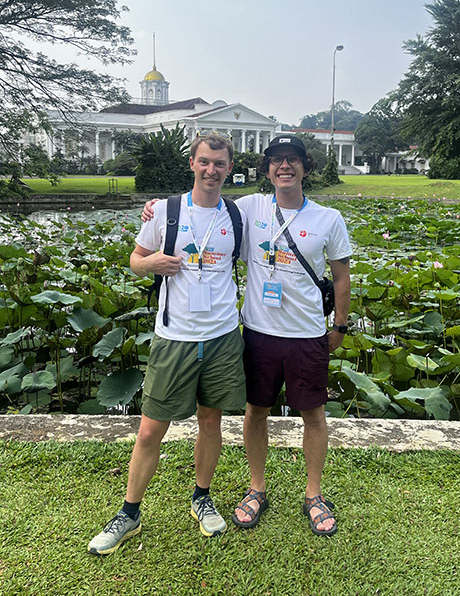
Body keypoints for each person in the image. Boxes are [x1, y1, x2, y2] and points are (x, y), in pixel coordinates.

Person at [142, 134, 351, 537]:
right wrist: (154, 208)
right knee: (256, 412)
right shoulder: (248, 208)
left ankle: (313, 494)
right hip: (257, 332)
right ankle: (257, 488)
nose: (284, 166)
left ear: (306, 167)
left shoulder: (328, 218)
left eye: (292, 160)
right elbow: (200, 202)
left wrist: (339, 326)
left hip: (307, 333)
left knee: (314, 415)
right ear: (266, 168)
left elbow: (341, 277)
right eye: (276, 160)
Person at [88, 135, 246, 555]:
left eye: (220, 164)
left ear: (230, 168)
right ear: (191, 163)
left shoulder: (238, 212)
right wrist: (150, 263)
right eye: (204, 162)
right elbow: (136, 259)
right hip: (174, 336)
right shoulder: (165, 210)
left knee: (211, 422)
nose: (211, 170)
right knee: (149, 430)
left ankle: (202, 496)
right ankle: (129, 512)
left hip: (222, 336)